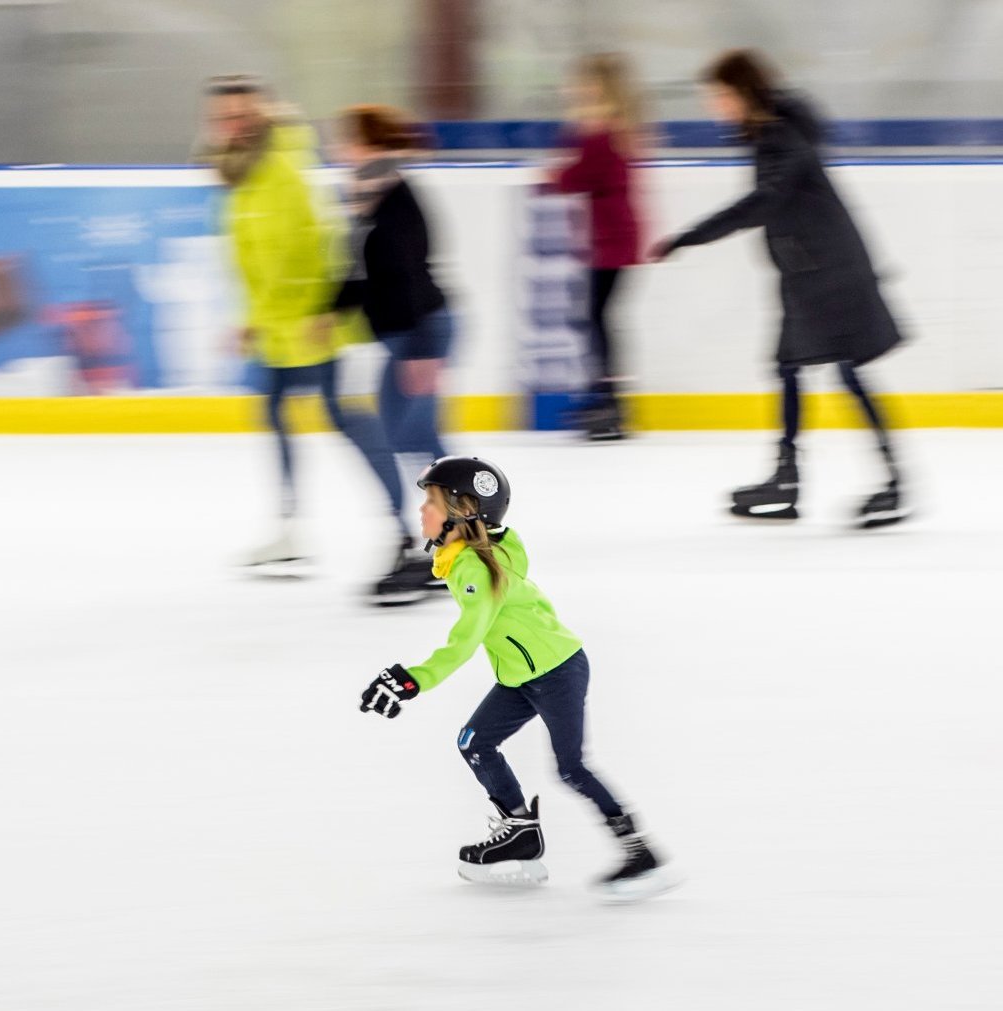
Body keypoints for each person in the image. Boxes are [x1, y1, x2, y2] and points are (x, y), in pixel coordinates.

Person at [358, 456, 677, 902]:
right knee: (474, 742)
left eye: (431, 501)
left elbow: (464, 641)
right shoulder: (475, 554)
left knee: (571, 768)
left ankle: (640, 851)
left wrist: (412, 680)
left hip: (557, 669)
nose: (422, 511)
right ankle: (521, 832)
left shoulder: (477, 571)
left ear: (464, 512)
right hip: (521, 675)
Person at [653, 50, 907, 527]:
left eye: (719, 96)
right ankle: (786, 478)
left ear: (742, 93)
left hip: (833, 272)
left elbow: (764, 201)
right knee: (788, 366)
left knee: (848, 372)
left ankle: (896, 482)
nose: (714, 107)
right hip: (807, 272)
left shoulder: (780, 136)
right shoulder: (768, 133)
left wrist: (691, 236)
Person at [199, 75, 414, 600]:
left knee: (345, 418)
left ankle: (405, 529)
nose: (232, 126)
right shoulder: (241, 177)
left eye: (242, 116)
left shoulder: (284, 171)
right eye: (224, 118)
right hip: (276, 326)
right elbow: (254, 258)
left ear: (261, 118)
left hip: (311, 325)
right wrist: (251, 318)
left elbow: (320, 250)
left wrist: (320, 313)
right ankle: (291, 529)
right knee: (273, 410)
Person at [328, 104, 453, 598]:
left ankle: (462, 539)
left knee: (413, 435)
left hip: (422, 331)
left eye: (347, 141)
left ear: (371, 145)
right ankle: (455, 541)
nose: (340, 150)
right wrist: (330, 310)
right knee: (409, 436)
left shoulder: (398, 197)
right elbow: (364, 273)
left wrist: (423, 350)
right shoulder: (371, 195)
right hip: (408, 334)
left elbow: (410, 272)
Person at [548, 53, 646, 441]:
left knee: (594, 317)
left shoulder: (604, 132)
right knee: (594, 317)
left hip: (612, 240)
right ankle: (605, 395)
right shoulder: (609, 130)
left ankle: (607, 398)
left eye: (586, 85)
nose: (578, 91)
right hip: (610, 238)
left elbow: (574, 176)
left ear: (601, 87)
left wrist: (560, 165)